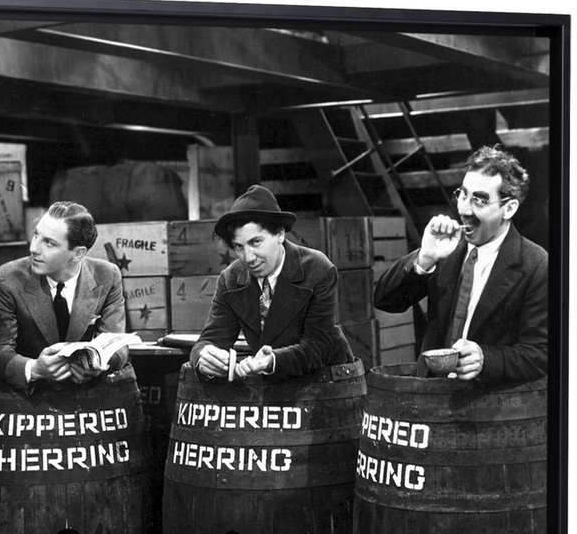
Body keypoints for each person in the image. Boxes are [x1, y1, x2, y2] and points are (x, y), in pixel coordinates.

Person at [374, 145, 548, 383]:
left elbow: (542, 353)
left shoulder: (536, 264)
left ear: (509, 208)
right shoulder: (446, 248)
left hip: (485, 400)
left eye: (479, 200)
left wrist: (486, 359)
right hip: (430, 392)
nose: (464, 209)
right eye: (463, 194)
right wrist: (425, 257)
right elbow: (385, 301)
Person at [191, 185, 354, 381]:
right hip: (273, 385)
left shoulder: (318, 269)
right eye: (239, 247)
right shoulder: (230, 279)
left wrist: (274, 361)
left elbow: (319, 346)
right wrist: (204, 359)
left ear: (280, 234)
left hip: (329, 381)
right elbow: (209, 340)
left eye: (255, 242)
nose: (248, 257)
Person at [0, 201, 128, 392]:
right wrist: (34, 369)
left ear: (78, 254)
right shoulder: (7, 279)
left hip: (88, 396)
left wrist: (98, 367)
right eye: (36, 235)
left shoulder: (107, 276)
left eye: (49, 243)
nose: (34, 248)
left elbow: (118, 345)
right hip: (28, 399)